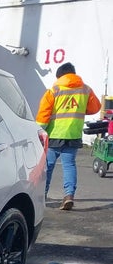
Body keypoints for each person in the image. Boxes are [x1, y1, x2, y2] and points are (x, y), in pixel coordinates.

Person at [36, 62, 101, 210]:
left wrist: (38, 132)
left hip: (54, 135)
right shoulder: (86, 90)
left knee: (48, 166)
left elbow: (43, 115)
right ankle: (69, 196)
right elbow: (95, 108)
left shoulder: (53, 90)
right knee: (69, 165)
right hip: (73, 135)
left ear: (60, 76)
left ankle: (42, 196)